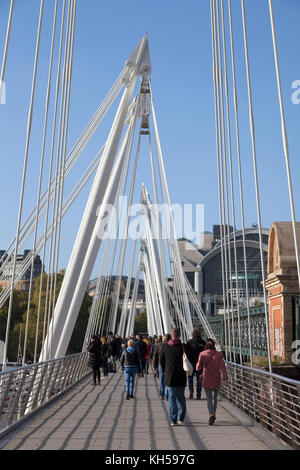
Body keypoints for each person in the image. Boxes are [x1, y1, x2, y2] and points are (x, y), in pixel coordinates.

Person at [196, 338, 228, 425]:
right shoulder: (219, 354)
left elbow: (198, 367)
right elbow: (222, 367)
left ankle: (211, 415)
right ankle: (213, 414)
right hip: (216, 378)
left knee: (209, 398)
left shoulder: (202, 354)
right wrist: (225, 377)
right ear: (214, 345)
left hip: (207, 378)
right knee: (215, 398)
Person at [160, 328, 187, 426]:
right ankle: (181, 417)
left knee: (171, 399)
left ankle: (173, 419)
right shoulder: (183, 346)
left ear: (172, 335)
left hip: (170, 376)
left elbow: (162, 360)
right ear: (179, 335)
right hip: (181, 376)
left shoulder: (166, 346)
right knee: (181, 399)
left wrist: (163, 370)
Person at [185, 329, 205, 400]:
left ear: (192, 334)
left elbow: (186, 351)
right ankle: (198, 395)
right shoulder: (203, 342)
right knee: (199, 379)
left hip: (191, 363)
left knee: (190, 378)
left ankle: (191, 391)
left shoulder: (189, 342)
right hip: (200, 364)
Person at [153, 335, 168, 400]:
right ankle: (167, 395)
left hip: (160, 364)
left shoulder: (158, 345)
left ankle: (162, 394)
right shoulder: (169, 345)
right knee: (167, 379)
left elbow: (155, 355)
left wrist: (154, 366)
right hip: (168, 364)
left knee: (162, 379)